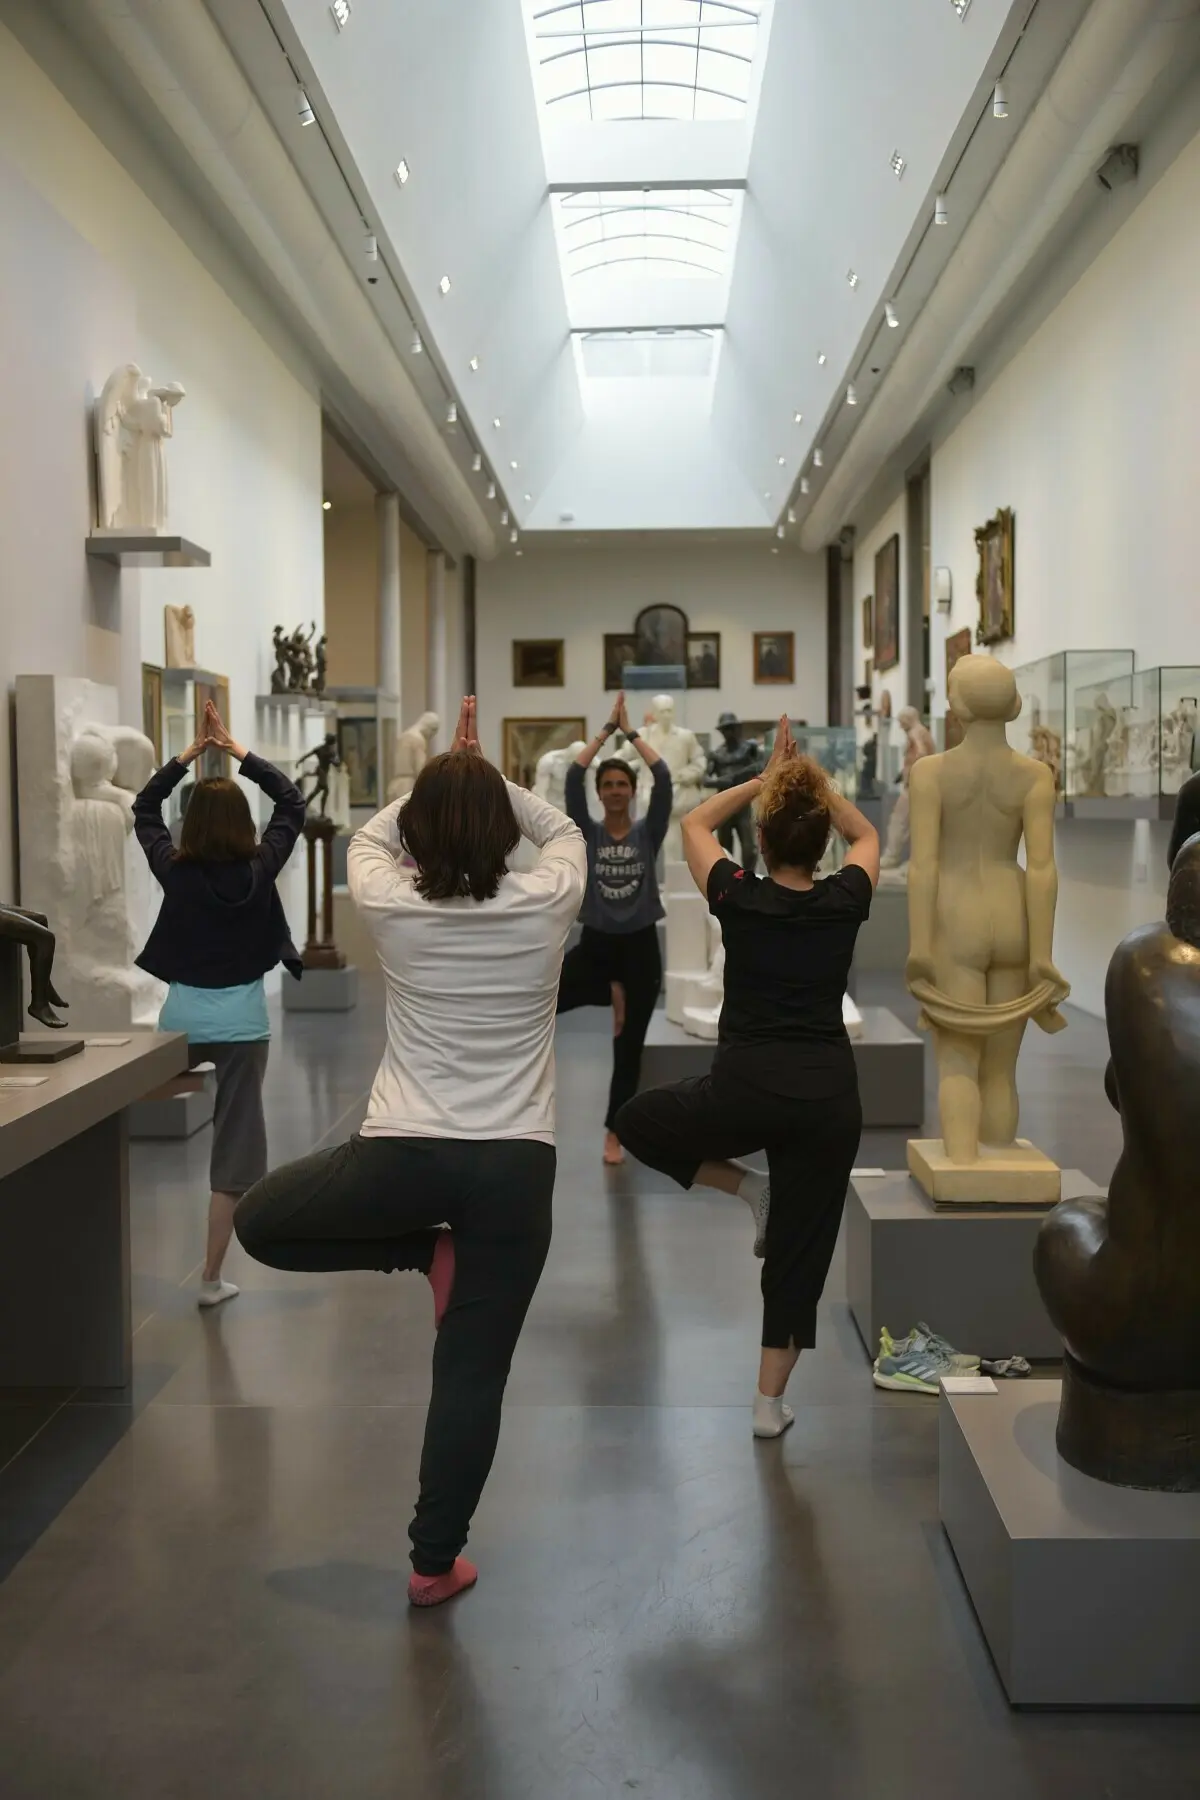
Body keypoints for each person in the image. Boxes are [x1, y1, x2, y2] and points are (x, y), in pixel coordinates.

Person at [234, 698, 586, 1608]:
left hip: (405, 1153)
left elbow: (373, 833)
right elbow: (560, 828)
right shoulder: (548, 898)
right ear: (504, 828)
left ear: (421, 830)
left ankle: (421, 1252)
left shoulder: (390, 902)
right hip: (515, 1166)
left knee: (260, 1222)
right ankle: (434, 1565)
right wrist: (486, 775)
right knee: (472, 1373)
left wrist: (443, 776)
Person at [614, 718, 880, 1440]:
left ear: (759, 841)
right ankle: (768, 1406)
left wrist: (766, 781)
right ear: (821, 844)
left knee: (636, 1122)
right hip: (828, 1100)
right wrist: (809, 784)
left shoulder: (739, 896)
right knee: (799, 1253)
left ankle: (746, 1189)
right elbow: (865, 835)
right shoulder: (845, 898)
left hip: (745, 1091)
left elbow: (696, 823)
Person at [133, 701, 306, 1307]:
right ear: (241, 822)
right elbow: (292, 804)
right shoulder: (261, 869)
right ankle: (210, 1278)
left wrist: (186, 757)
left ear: (191, 825)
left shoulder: (176, 873)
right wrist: (238, 753)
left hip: (180, 1025)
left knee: (132, 1116)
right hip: (242, 1029)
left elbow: (144, 808)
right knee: (233, 1158)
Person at [557, 691, 672, 1166]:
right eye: (608, 784)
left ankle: (614, 1132)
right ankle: (611, 991)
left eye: (623, 783)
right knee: (542, 998)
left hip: (640, 949)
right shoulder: (588, 832)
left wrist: (632, 733)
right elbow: (573, 776)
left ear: (632, 790)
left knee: (629, 1049)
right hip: (597, 947)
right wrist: (606, 731)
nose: (616, 790)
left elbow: (664, 776)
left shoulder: (648, 833)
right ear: (600, 793)